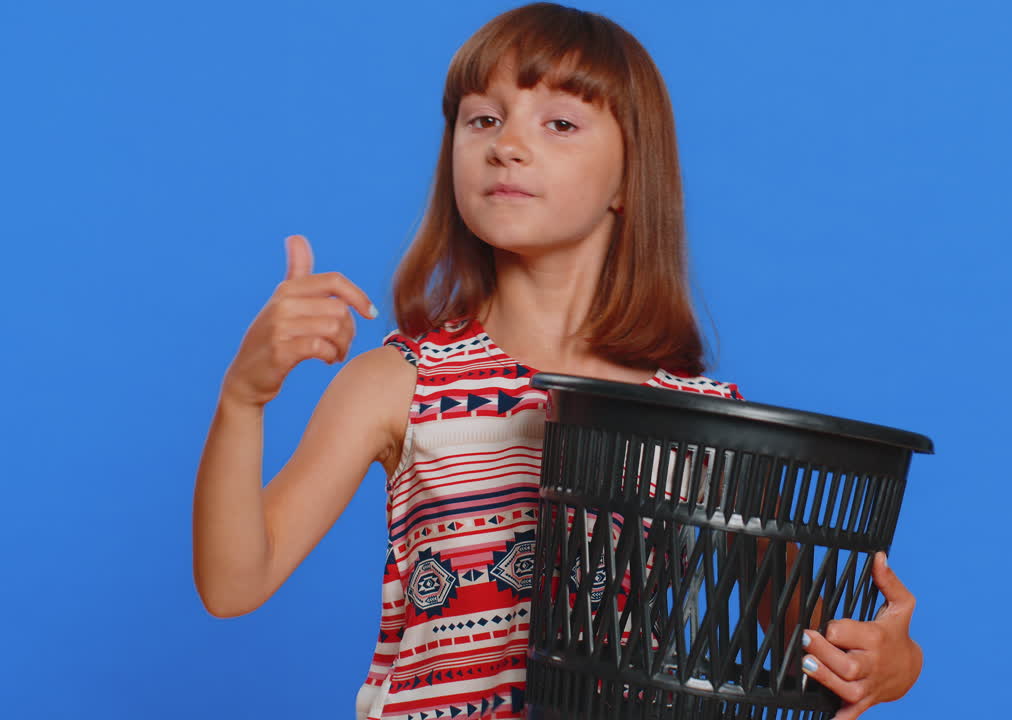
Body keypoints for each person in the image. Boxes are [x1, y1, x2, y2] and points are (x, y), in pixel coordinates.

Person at [191, 3, 921, 719]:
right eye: (483, 118)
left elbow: (820, 640)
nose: (507, 144)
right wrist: (242, 400)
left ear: (630, 182)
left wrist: (893, 664)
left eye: (561, 123)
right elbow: (233, 584)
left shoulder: (698, 418)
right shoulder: (401, 383)